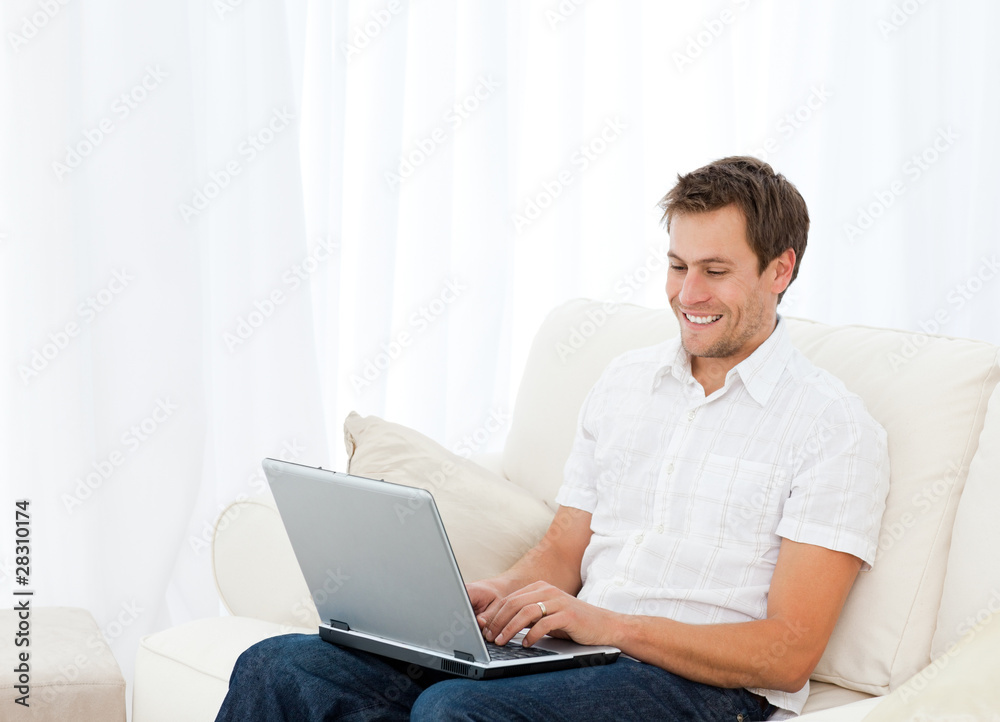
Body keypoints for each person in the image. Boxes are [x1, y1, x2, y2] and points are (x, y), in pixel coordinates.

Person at [215, 156, 889, 721]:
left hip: (706, 689)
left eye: (716, 271)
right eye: (677, 265)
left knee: (454, 713)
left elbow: (789, 650)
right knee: (279, 667)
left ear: (781, 270)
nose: (689, 294)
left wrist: (608, 627)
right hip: (576, 651)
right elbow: (566, 546)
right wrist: (488, 599)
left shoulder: (832, 429)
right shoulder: (626, 383)